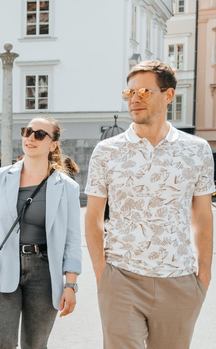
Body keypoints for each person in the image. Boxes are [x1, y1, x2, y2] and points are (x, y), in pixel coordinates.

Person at [85, 60, 214, 348]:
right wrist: (102, 274)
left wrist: (203, 278)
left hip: (179, 280)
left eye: (144, 91)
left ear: (168, 95)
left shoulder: (197, 150)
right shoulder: (107, 151)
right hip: (121, 279)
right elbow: (93, 216)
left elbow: (203, 217)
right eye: (129, 93)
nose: (135, 99)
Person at [0, 117, 82, 348]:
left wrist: (70, 285)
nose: (31, 138)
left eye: (39, 134)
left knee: (35, 344)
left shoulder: (66, 187)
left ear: (53, 144)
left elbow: (72, 240)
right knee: (1, 343)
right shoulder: (1, 176)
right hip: (2, 265)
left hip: (45, 271)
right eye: (27, 132)